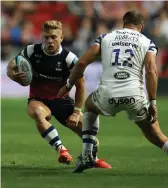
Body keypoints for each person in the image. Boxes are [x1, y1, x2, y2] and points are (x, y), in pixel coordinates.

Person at [57, 11, 168, 173]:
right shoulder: (147, 42)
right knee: (156, 135)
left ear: (123, 23)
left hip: (107, 94)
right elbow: (151, 71)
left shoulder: (105, 38)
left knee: (90, 105)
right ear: (141, 27)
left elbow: (81, 63)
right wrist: (153, 103)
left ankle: (87, 155)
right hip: (134, 95)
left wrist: (68, 85)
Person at [7, 20, 111, 169]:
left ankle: (92, 159)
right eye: (46, 37)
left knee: (89, 135)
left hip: (62, 101)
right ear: (42, 37)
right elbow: (11, 66)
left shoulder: (69, 59)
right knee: (37, 113)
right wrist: (12, 74)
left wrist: (76, 112)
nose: (50, 41)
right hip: (38, 99)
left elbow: (80, 85)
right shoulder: (31, 51)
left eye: (54, 37)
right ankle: (61, 149)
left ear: (61, 37)